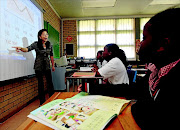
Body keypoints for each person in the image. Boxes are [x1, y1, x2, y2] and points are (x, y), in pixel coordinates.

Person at [130, 8, 180, 129]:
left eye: (144, 38)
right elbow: (133, 89)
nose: (140, 44)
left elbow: (155, 119)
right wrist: (91, 88)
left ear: (162, 44)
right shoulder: (156, 71)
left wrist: (136, 107)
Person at [13, 29, 55, 105]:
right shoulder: (36, 44)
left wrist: (53, 65)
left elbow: (51, 55)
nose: (46, 36)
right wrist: (20, 48)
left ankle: (52, 99)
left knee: (50, 83)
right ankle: (42, 102)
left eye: (47, 34)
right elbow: (27, 49)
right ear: (40, 36)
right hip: (38, 66)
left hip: (47, 66)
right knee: (40, 84)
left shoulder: (49, 44)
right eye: (44, 34)